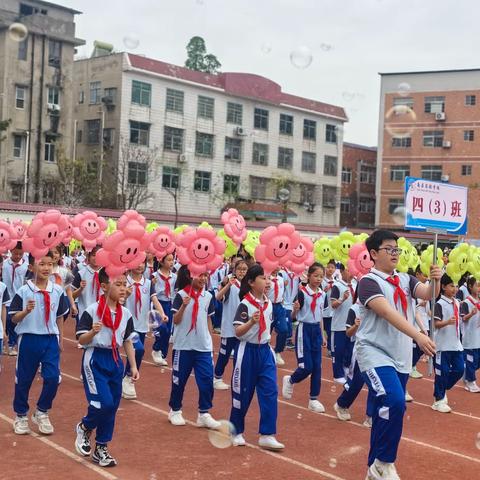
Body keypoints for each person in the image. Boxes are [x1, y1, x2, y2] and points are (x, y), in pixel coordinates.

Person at [357, 229, 439, 480]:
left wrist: (436, 279)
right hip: (374, 352)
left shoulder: (405, 279)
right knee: (393, 401)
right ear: (373, 253)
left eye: (397, 249)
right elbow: (387, 313)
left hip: (400, 356)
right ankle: (385, 461)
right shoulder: (368, 282)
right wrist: (418, 334)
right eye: (388, 249)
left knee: (386, 411)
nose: (394, 253)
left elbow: (427, 294)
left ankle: (374, 469)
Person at [74, 268, 139, 467]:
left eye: (124, 284)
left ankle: (101, 447)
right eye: (117, 284)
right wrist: (93, 332)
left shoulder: (125, 313)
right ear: (103, 287)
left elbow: (127, 340)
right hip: (95, 359)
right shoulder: (92, 310)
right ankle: (85, 426)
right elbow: (80, 339)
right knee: (101, 404)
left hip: (115, 360)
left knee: (112, 406)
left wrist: (133, 366)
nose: (123, 289)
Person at [9, 251, 69, 435]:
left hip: (50, 338)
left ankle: (42, 411)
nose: (46, 268)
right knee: (24, 379)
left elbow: (59, 316)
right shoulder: (24, 291)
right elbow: (13, 319)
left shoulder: (57, 290)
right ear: (31, 267)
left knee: (53, 378)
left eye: (49, 264)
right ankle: (20, 415)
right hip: (29, 339)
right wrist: (26, 311)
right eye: (41, 264)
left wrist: (60, 338)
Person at [230, 264, 284, 450]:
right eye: (263, 278)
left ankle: (267, 433)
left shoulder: (268, 303)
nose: (267, 281)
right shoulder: (245, 304)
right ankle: (236, 431)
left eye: (268, 278)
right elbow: (237, 331)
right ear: (252, 282)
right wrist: (251, 322)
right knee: (242, 393)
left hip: (265, 352)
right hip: (247, 352)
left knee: (270, 391)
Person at [167, 266, 220, 429]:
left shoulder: (208, 297)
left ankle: (204, 413)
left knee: (206, 380)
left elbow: (209, 320)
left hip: (203, 347)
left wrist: (210, 341)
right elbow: (175, 320)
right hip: (183, 346)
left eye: (206, 276)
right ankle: (175, 410)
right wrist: (183, 305)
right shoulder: (181, 295)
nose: (203, 279)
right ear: (191, 276)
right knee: (179, 380)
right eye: (200, 276)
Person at [282, 263, 327, 413]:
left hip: (316, 330)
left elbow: (320, 316)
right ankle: (291, 380)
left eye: (321, 276)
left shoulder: (322, 294)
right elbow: (293, 317)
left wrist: (323, 334)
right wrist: (294, 311)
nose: (318, 279)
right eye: (316, 275)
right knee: (306, 366)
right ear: (308, 276)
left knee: (317, 367)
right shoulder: (302, 293)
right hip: (304, 329)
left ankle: (313, 399)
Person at [122, 262, 166, 399]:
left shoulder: (147, 283)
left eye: (143, 263)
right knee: (139, 349)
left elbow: (155, 299)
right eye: (137, 262)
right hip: (129, 325)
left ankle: (127, 377)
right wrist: (127, 295)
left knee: (137, 352)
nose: (140, 265)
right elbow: (118, 301)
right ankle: (129, 377)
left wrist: (162, 313)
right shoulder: (124, 281)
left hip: (141, 325)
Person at [333, 301, 375, 427]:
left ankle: (371, 416)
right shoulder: (355, 309)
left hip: (376, 350)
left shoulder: (379, 307)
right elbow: (348, 333)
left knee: (375, 384)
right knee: (356, 382)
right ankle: (342, 404)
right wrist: (356, 326)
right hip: (359, 349)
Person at [432, 274, 465, 412]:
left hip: (456, 344)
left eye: (456, 286)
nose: (455, 289)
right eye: (452, 285)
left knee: (459, 370)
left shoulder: (457, 302)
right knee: (442, 372)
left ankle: (441, 389)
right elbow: (435, 324)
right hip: (442, 345)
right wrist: (447, 322)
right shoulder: (439, 304)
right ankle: (438, 400)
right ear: (443, 287)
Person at [213, 259, 248, 390]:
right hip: (229, 327)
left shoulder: (248, 286)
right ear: (234, 270)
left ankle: (237, 380)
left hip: (242, 328)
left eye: (245, 269)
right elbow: (218, 297)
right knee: (225, 354)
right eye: (240, 269)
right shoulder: (230, 284)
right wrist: (227, 284)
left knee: (240, 356)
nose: (242, 272)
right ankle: (217, 377)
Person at [330, 264, 356, 384]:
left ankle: (345, 370)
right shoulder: (337, 286)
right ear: (342, 271)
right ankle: (337, 374)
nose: (351, 273)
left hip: (351, 325)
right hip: (339, 325)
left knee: (349, 351)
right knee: (338, 351)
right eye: (348, 270)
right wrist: (342, 299)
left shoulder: (355, 285)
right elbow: (333, 304)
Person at [2, 241, 29, 355]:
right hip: (5, 297)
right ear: (10, 251)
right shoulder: (4, 264)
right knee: (5, 321)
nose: (18, 256)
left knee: (13, 322)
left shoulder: (26, 266)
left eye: (20, 254)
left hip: (19, 298)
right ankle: (4, 344)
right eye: (15, 254)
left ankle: (12, 345)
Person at [151, 254, 177, 366]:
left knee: (168, 332)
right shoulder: (154, 276)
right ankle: (156, 349)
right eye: (169, 260)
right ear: (161, 262)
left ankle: (162, 355)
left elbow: (175, 291)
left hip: (169, 304)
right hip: (157, 303)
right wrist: (152, 283)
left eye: (173, 260)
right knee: (162, 329)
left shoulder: (174, 277)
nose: (171, 262)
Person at [72, 246, 102, 323]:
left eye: (99, 255)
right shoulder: (81, 274)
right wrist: (80, 289)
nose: (96, 258)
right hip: (84, 313)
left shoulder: (106, 274)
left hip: (103, 314)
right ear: (88, 256)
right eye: (93, 255)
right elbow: (72, 296)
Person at [461, 276, 480, 393]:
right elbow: (463, 318)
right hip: (469, 338)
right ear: (470, 286)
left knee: (476, 361)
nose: (479, 288)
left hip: (478, 337)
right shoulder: (466, 302)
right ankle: (470, 381)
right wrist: (471, 314)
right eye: (477, 285)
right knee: (471, 361)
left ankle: (467, 373)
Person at [268, 268, 288, 366]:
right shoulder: (265, 278)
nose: (276, 267)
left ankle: (277, 351)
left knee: (284, 329)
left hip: (279, 306)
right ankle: (266, 352)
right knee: (266, 332)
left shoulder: (280, 278)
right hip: (268, 306)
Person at [322, 259, 337, 356]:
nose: (330, 269)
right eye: (328, 267)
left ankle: (330, 349)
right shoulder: (321, 280)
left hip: (332, 311)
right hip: (322, 310)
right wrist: (324, 290)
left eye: (332, 267)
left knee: (330, 331)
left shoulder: (336, 281)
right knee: (321, 330)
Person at [283, 268, 300, 350]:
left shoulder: (297, 274)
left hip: (291, 302)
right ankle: (287, 340)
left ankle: (286, 340)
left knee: (289, 320)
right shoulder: (282, 272)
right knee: (287, 321)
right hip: (283, 302)